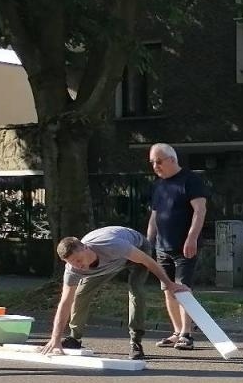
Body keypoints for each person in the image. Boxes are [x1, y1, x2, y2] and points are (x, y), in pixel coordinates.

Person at [42, 227, 188, 360]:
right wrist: (55, 338)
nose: (78, 266)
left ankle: (136, 342)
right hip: (111, 263)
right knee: (80, 294)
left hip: (137, 248)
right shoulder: (73, 270)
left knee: (136, 290)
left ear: (86, 248)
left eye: (78, 260)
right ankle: (75, 338)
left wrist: (169, 284)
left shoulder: (112, 245)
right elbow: (65, 303)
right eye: (72, 263)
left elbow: (148, 261)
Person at [144, 143, 208, 350]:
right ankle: (176, 331)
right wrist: (148, 243)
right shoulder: (158, 185)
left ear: (172, 159)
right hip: (162, 247)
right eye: (152, 162)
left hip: (184, 247)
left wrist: (192, 238)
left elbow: (200, 210)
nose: (155, 166)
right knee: (168, 290)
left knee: (183, 289)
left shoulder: (190, 180)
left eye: (159, 161)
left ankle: (186, 334)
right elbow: (154, 216)